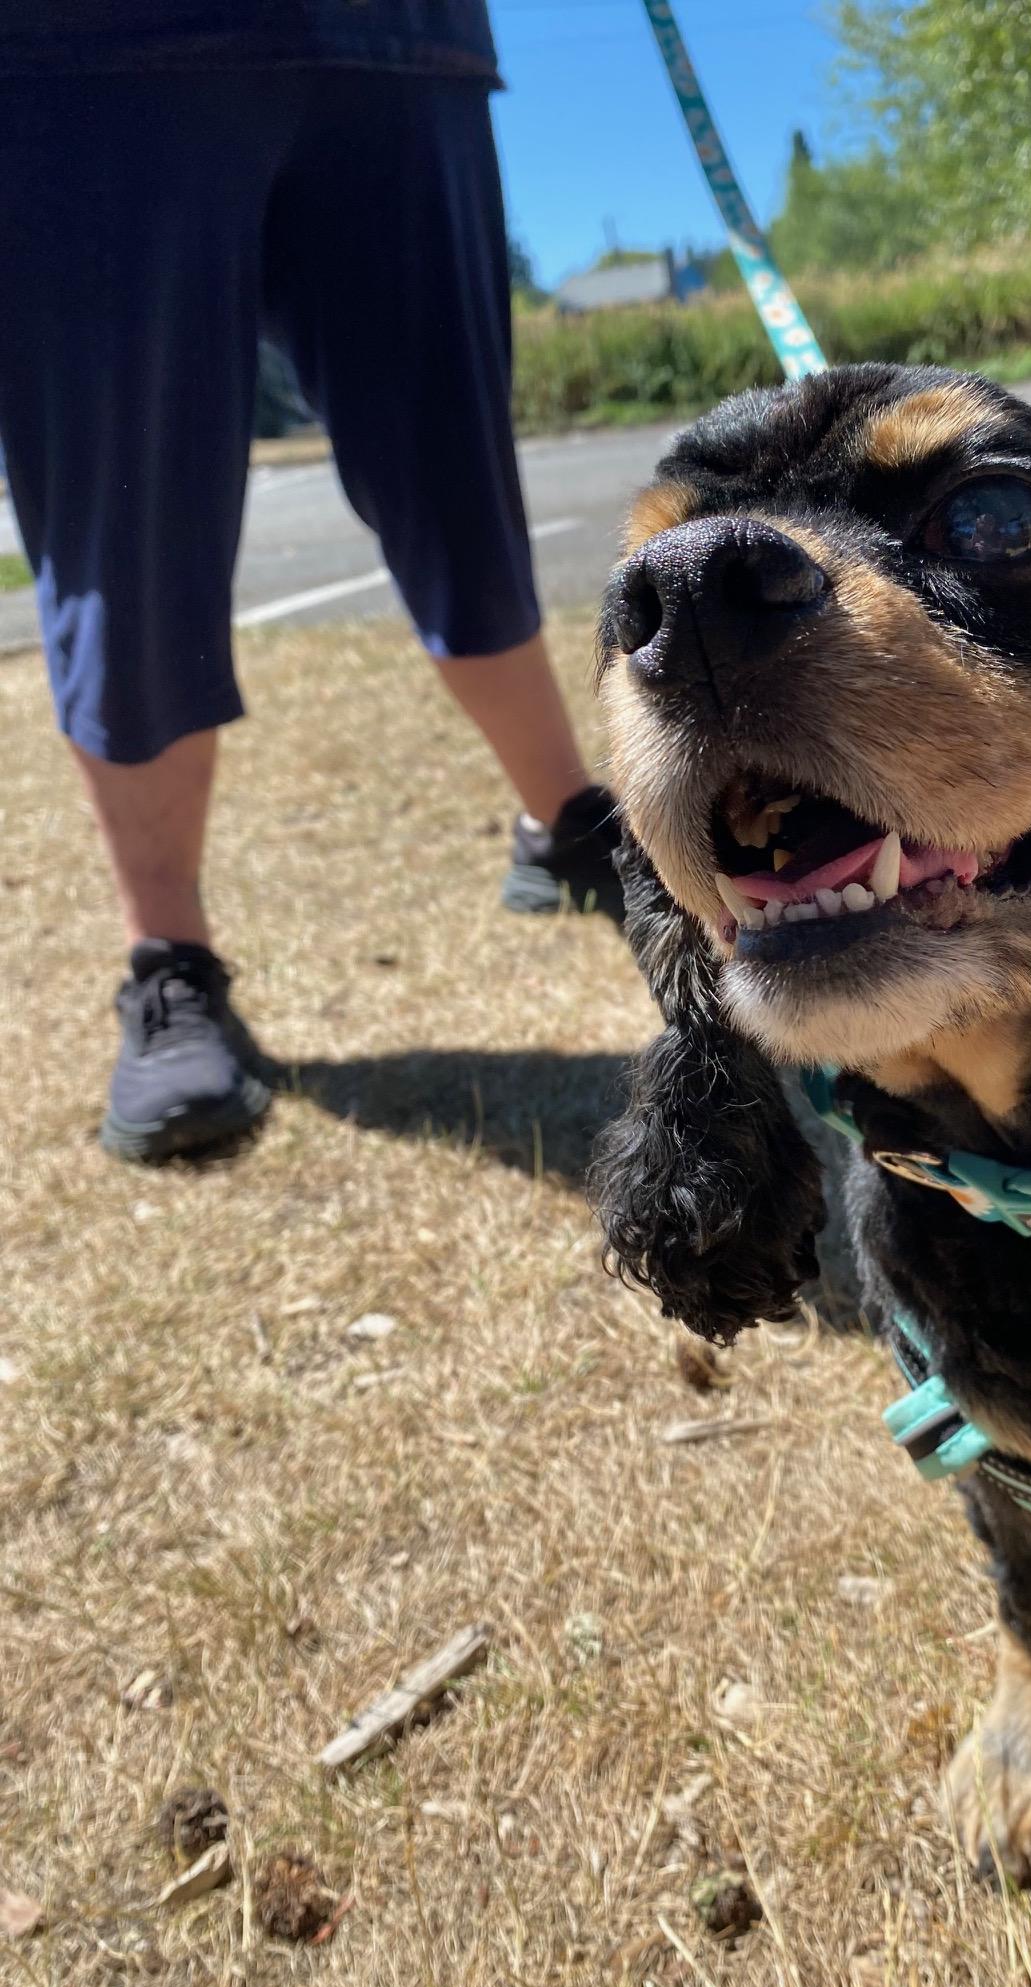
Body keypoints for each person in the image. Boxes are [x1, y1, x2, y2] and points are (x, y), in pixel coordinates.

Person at [0, 2, 621, 1163]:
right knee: (124, 521)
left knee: (461, 491)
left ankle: (568, 827)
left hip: (398, 43)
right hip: (77, 53)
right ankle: (168, 960)